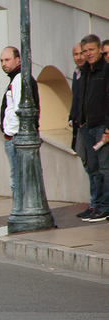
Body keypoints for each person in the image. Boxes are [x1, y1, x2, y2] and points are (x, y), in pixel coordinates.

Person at [0, 46, 39, 194]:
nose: (4, 63)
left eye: (7, 60)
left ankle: (20, 212)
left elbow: (19, 111)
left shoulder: (19, 80)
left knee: (18, 179)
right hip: (17, 137)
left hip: (17, 138)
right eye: (2, 60)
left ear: (17, 60)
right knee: (21, 177)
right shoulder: (18, 78)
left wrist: (9, 133)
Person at [78, 34, 109, 222]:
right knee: (94, 169)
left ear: (99, 49)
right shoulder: (85, 71)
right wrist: (80, 120)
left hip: (101, 127)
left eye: (91, 50)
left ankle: (105, 206)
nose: (88, 54)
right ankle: (96, 205)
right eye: (85, 51)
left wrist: (107, 129)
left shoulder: (105, 71)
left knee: (105, 168)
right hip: (87, 126)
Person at [69, 43, 93, 218]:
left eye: (81, 53)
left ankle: (98, 203)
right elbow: (75, 99)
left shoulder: (89, 73)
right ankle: (94, 203)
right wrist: (72, 117)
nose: (79, 57)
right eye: (75, 54)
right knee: (88, 165)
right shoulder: (77, 74)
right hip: (79, 125)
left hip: (90, 124)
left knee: (96, 167)